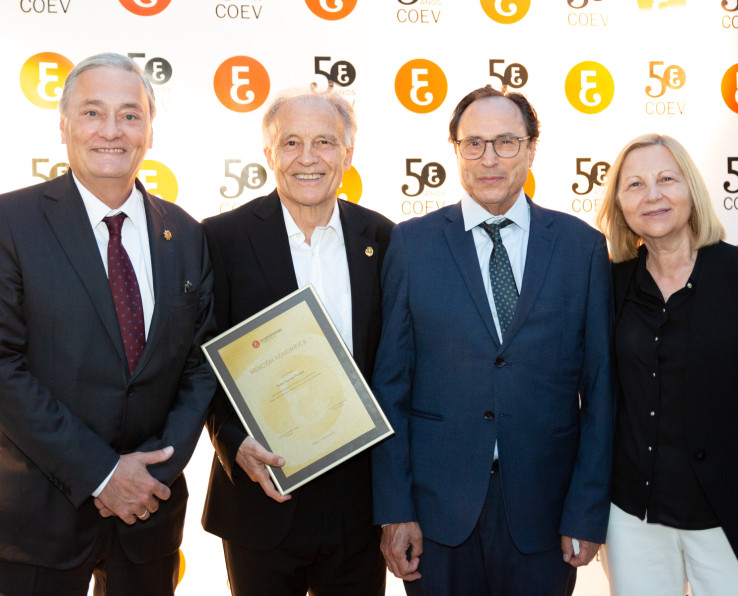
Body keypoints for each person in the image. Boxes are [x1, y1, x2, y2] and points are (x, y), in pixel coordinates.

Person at [370, 85, 615, 595]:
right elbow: (390, 388)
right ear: (456, 150)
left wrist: (587, 510)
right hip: (437, 517)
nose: (489, 159)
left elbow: (600, 392)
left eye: (505, 142)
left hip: (546, 514)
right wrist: (395, 510)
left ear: (531, 148)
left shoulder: (582, 248)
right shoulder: (411, 245)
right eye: (474, 143)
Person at [0, 53, 217, 594]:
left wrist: (149, 476)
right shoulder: (10, 223)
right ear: (64, 125)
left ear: (150, 130)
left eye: (130, 114)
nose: (112, 130)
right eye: (93, 112)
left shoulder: (187, 235)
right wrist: (101, 473)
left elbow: (200, 366)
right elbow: (3, 366)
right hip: (39, 522)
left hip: (150, 515)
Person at [201, 87, 393, 595]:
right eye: (291, 143)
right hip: (261, 497)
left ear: (347, 153)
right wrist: (231, 441)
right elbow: (198, 362)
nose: (308, 158)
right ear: (269, 154)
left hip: (359, 508)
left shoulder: (383, 239)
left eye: (324, 142)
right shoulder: (221, 239)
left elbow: (398, 365)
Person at [595, 133, 738, 596]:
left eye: (666, 179)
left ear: (691, 189)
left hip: (724, 514)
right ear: (620, 204)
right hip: (633, 518)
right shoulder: (609, 284)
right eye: (634, 185)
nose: (652, 195)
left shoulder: (734, 274)